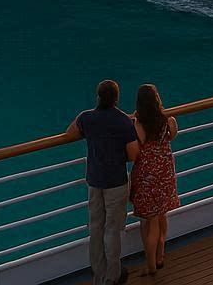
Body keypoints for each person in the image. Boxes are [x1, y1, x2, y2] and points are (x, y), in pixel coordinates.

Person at [66, 80, 136, 285]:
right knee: (113, 230)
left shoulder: (87, 118)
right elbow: (133, 154)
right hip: (116, 182)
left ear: (98, 97)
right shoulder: (123, 121)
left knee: (96, 229)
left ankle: (98, 276)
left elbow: (69, 133)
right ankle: (112, 277)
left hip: (95, 181)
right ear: (116, 98)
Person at [128, 84, 180, 277]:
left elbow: (139, 142)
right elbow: (172, 135)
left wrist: (134, 119)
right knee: (161, 214)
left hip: (147, 175)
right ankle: (160, 256)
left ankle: (150, 265)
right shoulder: (168, 120)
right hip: (165, 171)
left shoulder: (139, 123)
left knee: (150, 221)